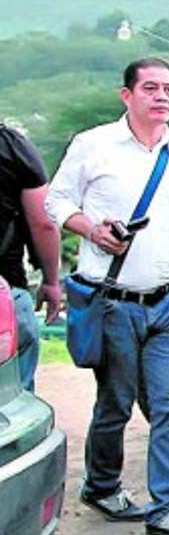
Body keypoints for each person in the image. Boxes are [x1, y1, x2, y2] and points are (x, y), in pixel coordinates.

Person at [45, 57, 169, 535]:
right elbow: (56, 200)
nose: (162, 97)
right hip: (112, 302)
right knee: (115, 402)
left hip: (167, 302)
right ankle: (103, 485)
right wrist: (91, 229)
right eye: (150, 88)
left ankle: (168, 507)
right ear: (126, 95)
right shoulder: (93, 146)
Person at [0, 123, 62, 391]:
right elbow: (44, 223)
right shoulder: (11, 145)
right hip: (5, 291)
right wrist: (51, 281)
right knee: (15, 403)